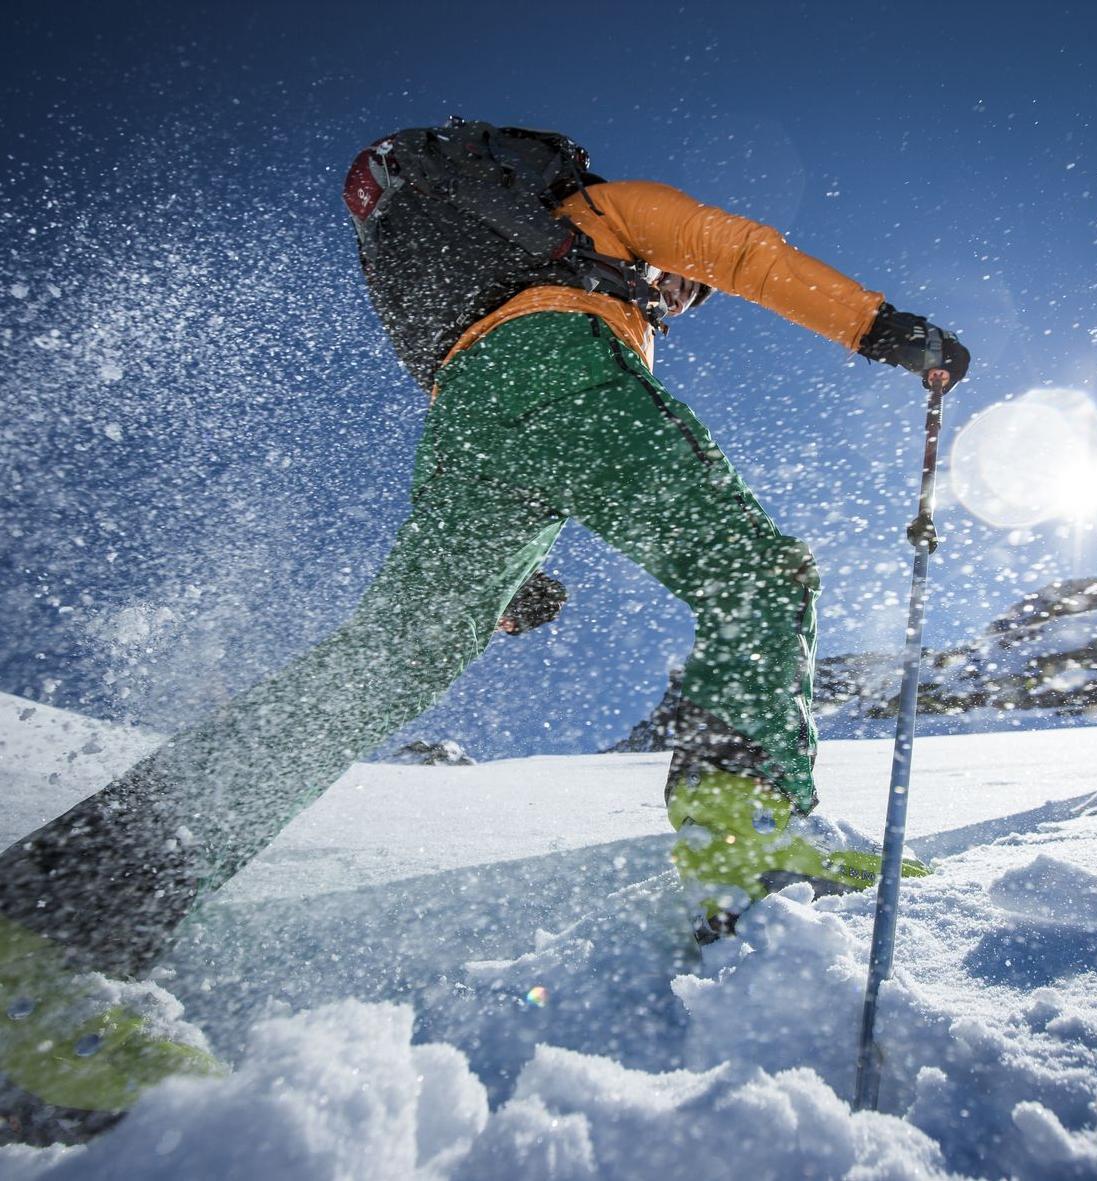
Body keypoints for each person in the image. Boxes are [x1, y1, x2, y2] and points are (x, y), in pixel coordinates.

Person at [0, 121, 968, 1121]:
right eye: (679, 287)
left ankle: (53, 917)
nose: (681, 298)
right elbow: (744, 253)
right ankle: (746, 832)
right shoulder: (602, 216)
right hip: (555, 371)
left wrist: (510, 574)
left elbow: (512, 411)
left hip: (466, 418)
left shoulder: (484, 274)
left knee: (382, 667)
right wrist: (885, 328)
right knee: (759, 568)